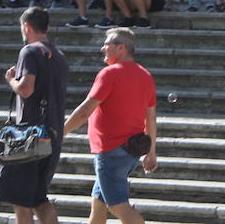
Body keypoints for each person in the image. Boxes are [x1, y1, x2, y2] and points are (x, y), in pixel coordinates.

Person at [63, 26, 157, 224]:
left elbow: (84, 111)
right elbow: (151, 117)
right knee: (98, 206)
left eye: (106, 45)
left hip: (111, 150)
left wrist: (60, 132)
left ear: (120, 48)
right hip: (131, 151)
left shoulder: (110, 74)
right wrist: (152, 151)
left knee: (117, 205)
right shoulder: (145, 75)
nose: (102, 49)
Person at [0, 6, 69, 224]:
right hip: (53, 134)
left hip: (30, 136)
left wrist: (10, 79)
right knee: (39, 198)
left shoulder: (29, 51)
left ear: (27, 27)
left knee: (22, 201)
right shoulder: (58, 55)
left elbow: (26, 89)